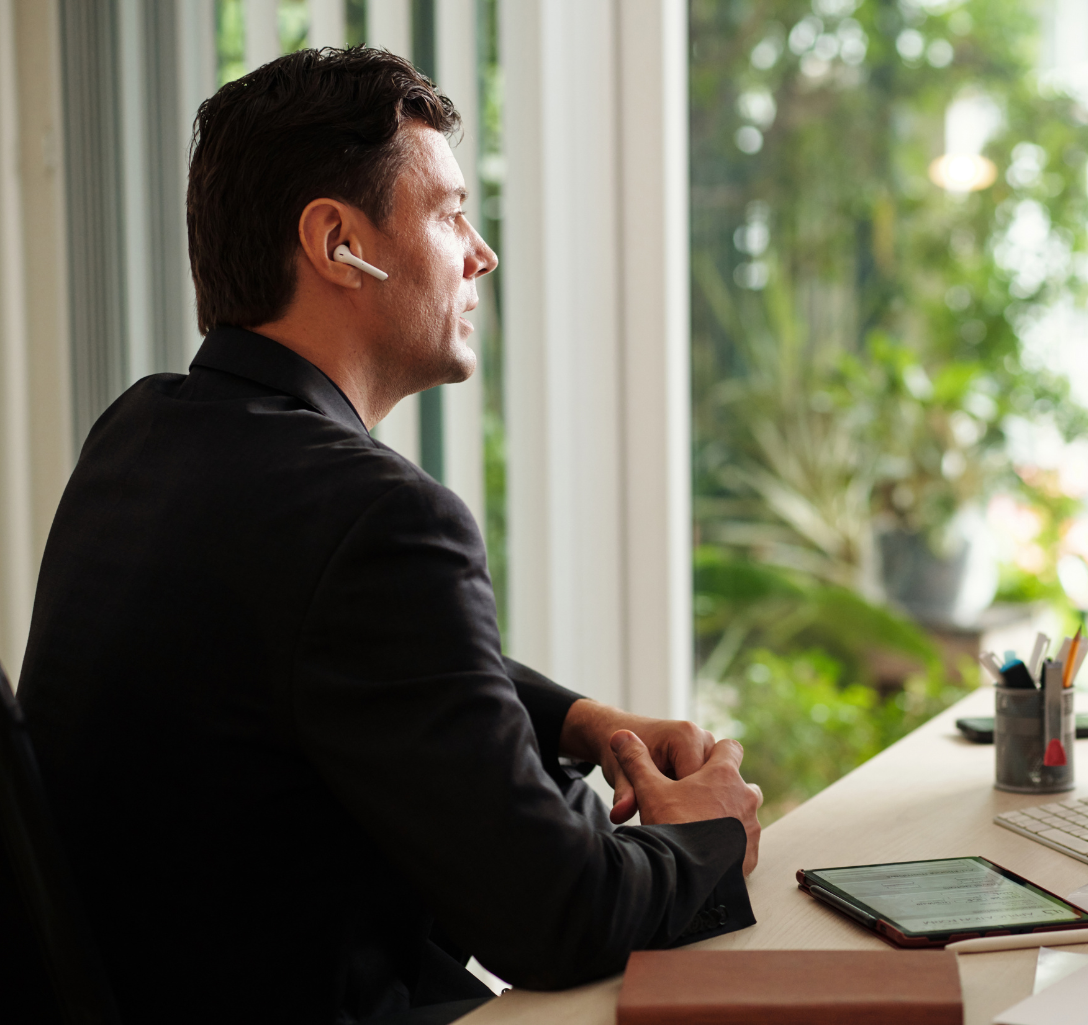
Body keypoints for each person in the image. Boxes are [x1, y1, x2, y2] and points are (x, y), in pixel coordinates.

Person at [17, 49, 761, 1025]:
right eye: (450, 214)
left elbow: (342, 650)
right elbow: (559, 915)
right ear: (338, 243)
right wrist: (707, 833)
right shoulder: (380, 519)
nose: (481, 253)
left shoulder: (142, 435)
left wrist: (582, 719)